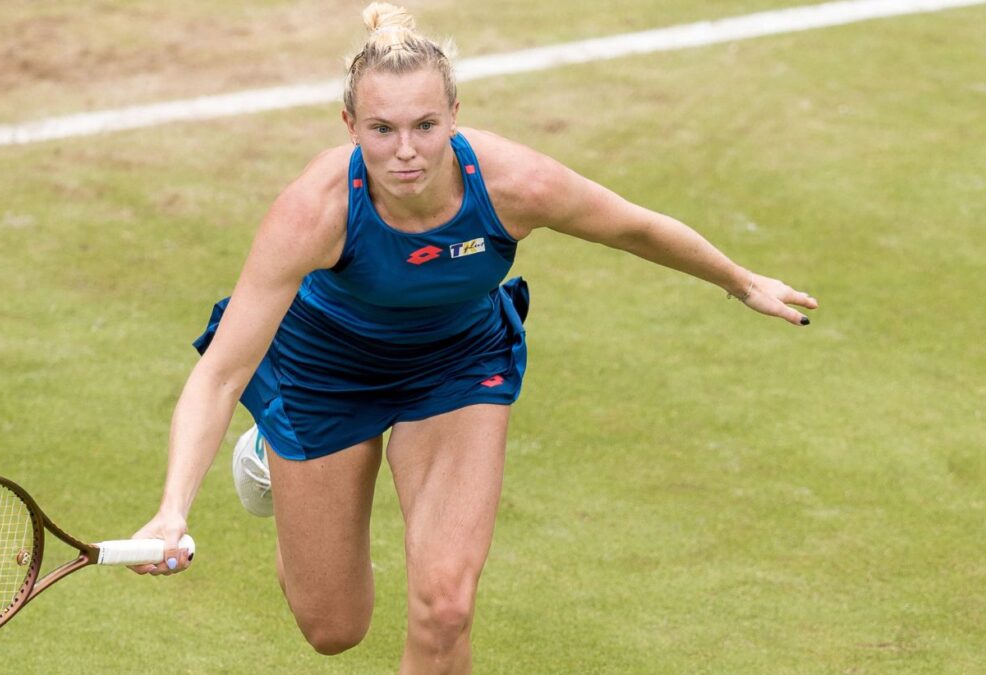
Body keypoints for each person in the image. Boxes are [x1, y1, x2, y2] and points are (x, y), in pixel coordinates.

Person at [130, 3, 818, 673]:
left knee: (446, 606)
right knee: (334, 628)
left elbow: (632, 226)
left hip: (455, 366)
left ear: (455, 115)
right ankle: (271, 455)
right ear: (349, 126)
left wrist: (739, 280)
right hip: (325, 373)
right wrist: (171, 510)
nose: (406, 151)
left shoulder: (515, 183)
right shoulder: (316, 210)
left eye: (425, 125)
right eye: (382, 128)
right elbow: (221, 373)